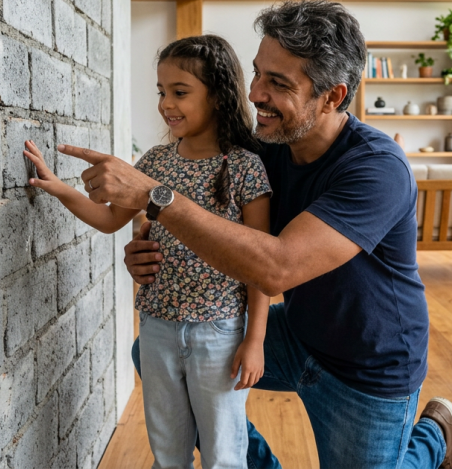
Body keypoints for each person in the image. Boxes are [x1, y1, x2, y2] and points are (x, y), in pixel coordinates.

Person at [60, 0, 452, 469]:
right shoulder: (263, 150)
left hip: (368, 365)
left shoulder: (378, 169)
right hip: (298, 332)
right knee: (155, 352)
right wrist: (147, 244)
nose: (254, 93)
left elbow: (277, 268)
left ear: (332, 96)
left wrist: (157, 197)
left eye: (278, 83)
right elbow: (204, 219)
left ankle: (434, 435)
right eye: (257, 73)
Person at [25, 35, 273, 469]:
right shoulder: (155, 162)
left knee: (224, 454)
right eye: (161, 92)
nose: (166, 104)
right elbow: (109, 219)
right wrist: (58, 187)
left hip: (219, 333)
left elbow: (260, 265)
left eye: (180, 92)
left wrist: (255, 341)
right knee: (168, 451)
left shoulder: (245, 166)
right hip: (157, 328)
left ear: (217, 96)